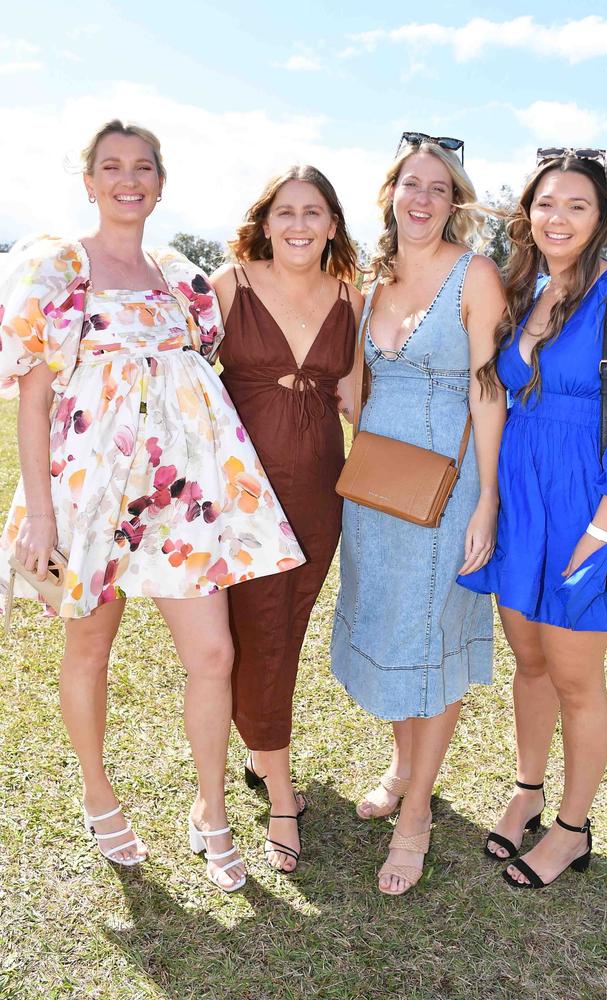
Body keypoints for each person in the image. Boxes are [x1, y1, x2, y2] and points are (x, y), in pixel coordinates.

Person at [0, 120, 304, 893]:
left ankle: (210, 810)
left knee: (213, 655)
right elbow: (33, 404)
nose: (127, 179)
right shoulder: (56, 267)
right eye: (111, 167)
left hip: (178, 498)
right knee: (88, 650)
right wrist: (40, 514)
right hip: (86, 493)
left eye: (142, 167)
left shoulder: (182, 278)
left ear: (161, 184)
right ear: (90, 181)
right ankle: (99, 796)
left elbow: (196, 378)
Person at [459, 148, 607, 888]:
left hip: (583, 504)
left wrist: (602, 530)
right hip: (520, 501)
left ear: (600, 217)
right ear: (527, 213)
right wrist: (492, 499)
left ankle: (572, 830)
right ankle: (528, 792)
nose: (557, 218)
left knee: (576, 677)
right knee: (530, 660)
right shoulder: (523, 292)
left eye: (575, 205)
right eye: (545, 203)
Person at [330, 134, 507, 895]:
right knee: (397, 627)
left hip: (449, 485)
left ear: (455, 200)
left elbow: (487, 391)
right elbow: (357, 381)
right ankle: (403, 769)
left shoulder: (477, 276)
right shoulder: (375, 277)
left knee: (431, 637)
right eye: (412, 184)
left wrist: (488, 499)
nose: (423, 198)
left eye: (439, 187)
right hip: (379, 486)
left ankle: (418, 816)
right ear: (391, 194)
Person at [211, 165, 363, 873]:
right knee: (252, 630)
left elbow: (359, 402)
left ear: (333, 224)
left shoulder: (351, 297)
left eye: (314, 212)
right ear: (264, 222)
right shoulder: (226, 287)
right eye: (285, 212)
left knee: (283, 627)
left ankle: (256, 744)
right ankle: (278, 792)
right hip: (239, 496)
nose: (299, 224)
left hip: (319, 495)